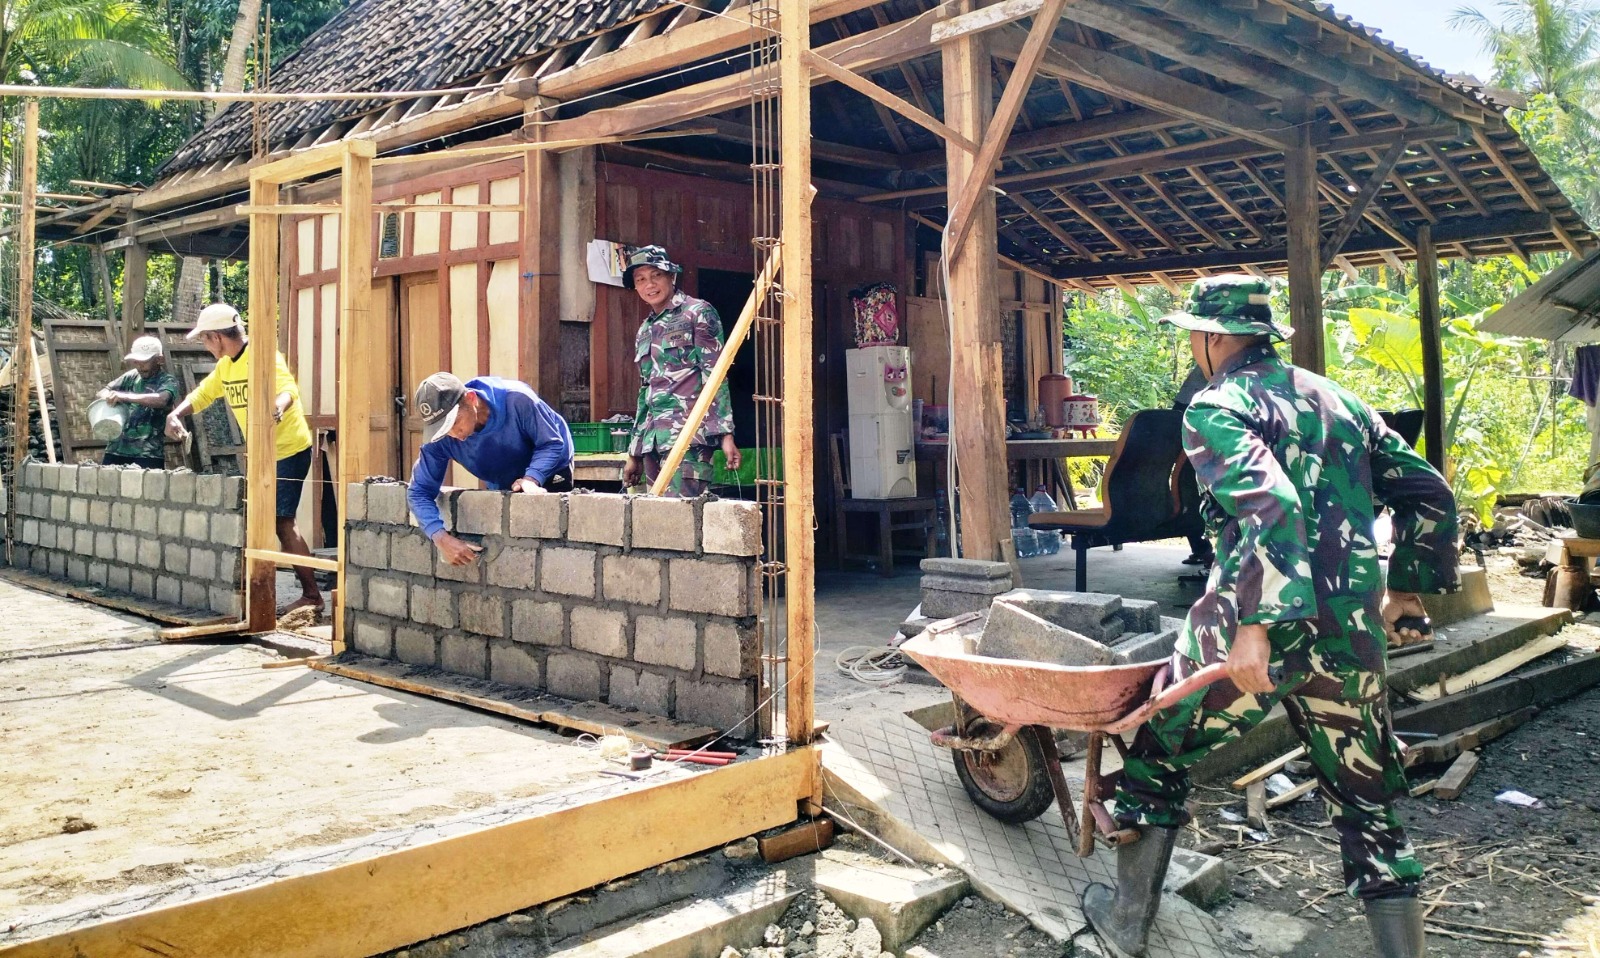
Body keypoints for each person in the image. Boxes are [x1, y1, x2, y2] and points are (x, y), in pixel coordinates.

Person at [1083, 276, 1459, 958]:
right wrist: (1407, 590)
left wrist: (1255, 624)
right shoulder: (1338, 400)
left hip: (1249, 633)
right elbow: (1430, 491)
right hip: (1347, 631)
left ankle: (1126, 926)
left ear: (1214, 338)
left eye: (1194, 336)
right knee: (1365, 798)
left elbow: (1274, 505)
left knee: (1158, 755)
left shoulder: (1215, 407)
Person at [165, 303, 323, 616]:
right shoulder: (226, 367)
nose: (206, 346)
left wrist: (276, 408)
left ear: (216, 337)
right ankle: (268, 594)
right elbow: (203, 395)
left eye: (205, 340)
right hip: (263, 453)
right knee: (267, 521)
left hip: (289, 449)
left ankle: (312, 595)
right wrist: (176, 413)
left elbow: (289, 389)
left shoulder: (262, 355)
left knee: (281, 521)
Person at [407, 372, 575, 567]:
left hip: (551, 464)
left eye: (453, 423)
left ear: (471, 399)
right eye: (443, 430)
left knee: (552, 544)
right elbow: (419, 491)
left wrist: (532, 478)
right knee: (513, 547)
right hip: (502, 473)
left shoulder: (517, 400)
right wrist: (440, 538)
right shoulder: (441, 440)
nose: (453, 434)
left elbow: (551, 444)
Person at [620, 245, 741, 497]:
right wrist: (635, 451)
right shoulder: (645, 329)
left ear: (671, 276)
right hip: (653, 441)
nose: (649, 285)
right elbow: (646, 391)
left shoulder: (697, 313)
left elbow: (715, 375)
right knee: (658, 524)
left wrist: (725, 434)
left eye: (656, 276)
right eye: (640, 280)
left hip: (689, 438)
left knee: (682, 522)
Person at [98, 335, 179, 470]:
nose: (140, 366)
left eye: (145, 361)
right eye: (136, 361)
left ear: (159, 360)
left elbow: (162, 400)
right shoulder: (131, 376)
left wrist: (125, 396)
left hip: (148, 454)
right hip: (116, 449)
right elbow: (103, 392)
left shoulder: (168, 381)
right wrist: (108, 397)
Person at [1170, 364, 1214, 568]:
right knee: (1188, 483)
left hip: (1192, 408)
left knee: (1188, 483)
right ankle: (1202, 550)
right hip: (1194, 409)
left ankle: (1202, 549)